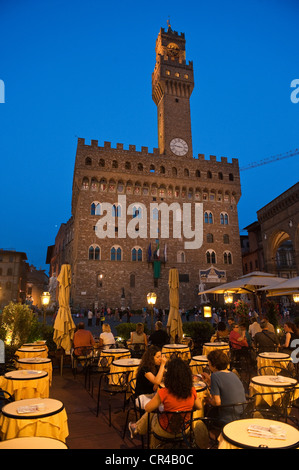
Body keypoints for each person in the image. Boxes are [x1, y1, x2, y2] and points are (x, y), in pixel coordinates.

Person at [128, 357, 209, 449]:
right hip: (184, 429)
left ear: (169, 376)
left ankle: (137, 429)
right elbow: (198, 406)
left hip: (164, 430)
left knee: (152, 413)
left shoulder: (163, 392)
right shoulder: (191, 391)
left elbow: (147, 408)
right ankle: (136, 427)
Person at [202, 350, 246, 425]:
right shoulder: (233, 374)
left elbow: (217, 402)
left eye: (209, 363)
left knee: (206, 411)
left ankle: (211, 433)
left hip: (228, 417)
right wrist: (210, 382)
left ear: (214, 365)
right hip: (243, 413)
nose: (208, 366)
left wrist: (207, 399)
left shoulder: (215, 376)